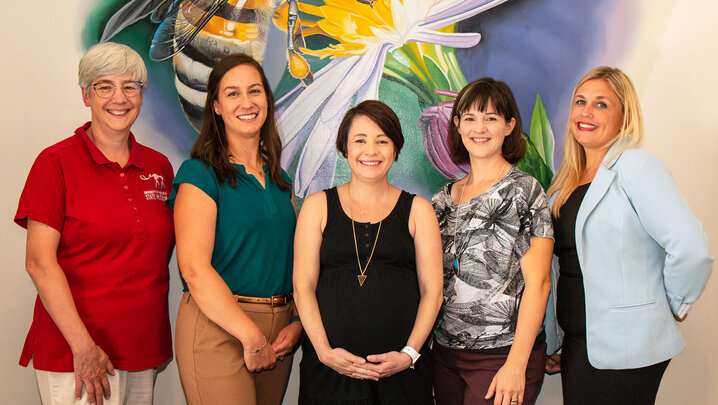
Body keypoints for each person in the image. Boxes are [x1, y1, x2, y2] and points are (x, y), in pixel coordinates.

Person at [14, 42, 174, 405]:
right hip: (77, 352)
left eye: (131, 86)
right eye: (105, 86)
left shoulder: (159, 166)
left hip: (141, 347)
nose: (119, 97)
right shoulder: (55, 163)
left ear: (142, 95)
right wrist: (83, 346)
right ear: (86, 95)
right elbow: (39, 262)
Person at [543, 66, 714, 404]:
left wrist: (675, 304)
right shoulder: (563, 184)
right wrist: (557, 338)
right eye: (581, 102)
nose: (586, 112)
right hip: (581, 346)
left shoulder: (635, 167)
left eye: (601, 104)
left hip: (628, 348)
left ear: (624, 116)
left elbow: (691, 248)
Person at [168, 53, 301, 405]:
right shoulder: (199, 174)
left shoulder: (281, 181)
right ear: (215, 106)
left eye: (255, 91)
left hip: (279, 330)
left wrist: (298, 322)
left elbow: (295, 262)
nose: (247, 102)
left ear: (267, 101)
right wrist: (251, 337)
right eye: (232, 93)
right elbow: (194, 269)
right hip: (220, 328)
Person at [293, 100, 443, 404]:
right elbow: (302, 287)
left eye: (382, 141)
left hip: (401, 376)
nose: (371, 151)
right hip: (329, 373)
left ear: (396, 149)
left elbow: (433, 292)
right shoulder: (317, 206)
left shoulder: (419, 210)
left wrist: (409, 355)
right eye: (360, 140)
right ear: (344, 148)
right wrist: (324, 351)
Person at [431, 78, 554, 405]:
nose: (479, 128)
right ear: (456, 124)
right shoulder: (441, 200)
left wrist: (516, 365)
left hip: (502, 355)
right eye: (469, 118)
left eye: (491, 118)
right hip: (444, 353)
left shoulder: (525, 193)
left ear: (509, 125)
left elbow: (539, 284)